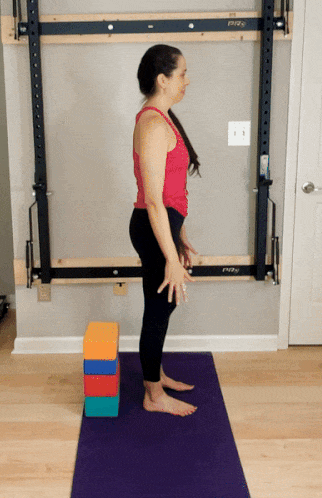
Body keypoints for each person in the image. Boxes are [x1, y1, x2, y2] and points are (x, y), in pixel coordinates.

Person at [129, 45, 202, 417]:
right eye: (182, 73)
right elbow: (155, 200)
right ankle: (153, 396)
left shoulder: (162, 118)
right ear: (163, 79)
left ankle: (155, 375)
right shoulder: (154, 125)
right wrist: (171, 258)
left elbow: (173, 190)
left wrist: (180, 235)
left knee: (163, 305)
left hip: (163, 225)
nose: (187, 80)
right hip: (153, 224)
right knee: (159, 308)